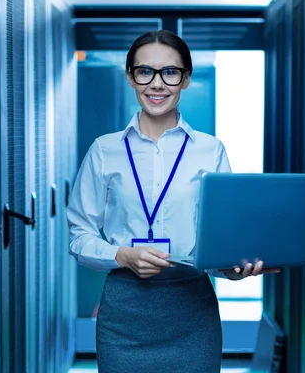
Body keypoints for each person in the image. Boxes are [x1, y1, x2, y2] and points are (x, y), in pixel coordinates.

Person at [67, 30, 280, 373]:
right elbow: (79, 236)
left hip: (192, 311)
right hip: (124, 313)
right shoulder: (104, 150)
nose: (157, 84)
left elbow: (220, 238)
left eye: (170, 72)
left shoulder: (211, 150)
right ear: (130, 77)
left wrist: (233, 268)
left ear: (185, 79)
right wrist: (121, 254)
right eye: (144, 71)